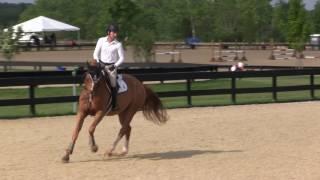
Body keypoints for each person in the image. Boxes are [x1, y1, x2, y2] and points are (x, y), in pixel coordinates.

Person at [93, 24, 124, 110]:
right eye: (114, 32)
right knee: (93, 79)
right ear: (108, 32)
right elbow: (95, 53)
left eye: (116, 33)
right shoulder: (101, 40)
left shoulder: (118, 44)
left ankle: (114, 105)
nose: (116, 34)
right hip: (101, 64)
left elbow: (122, 58)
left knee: (113, 84)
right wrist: (98, 62)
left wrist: (114, 66)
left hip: (111, 67)